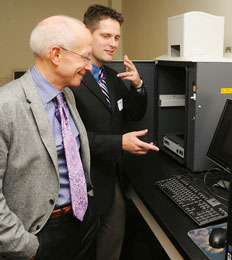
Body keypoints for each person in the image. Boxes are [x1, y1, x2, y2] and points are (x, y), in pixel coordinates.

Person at [0, 15, 97, 260]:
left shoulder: (68, 96)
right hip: (39, 233)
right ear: (56, 55)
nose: (89, 66)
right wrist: (25, 248)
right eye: (85, 57)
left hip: (81, 221)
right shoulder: (6, 106)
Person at [70, 4, 159, 260]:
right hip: (83, 184)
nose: (113, 44)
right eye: (105, 36)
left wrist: (139, 85)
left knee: (112, 243)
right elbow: (73, 139)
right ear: (88, 34)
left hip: (112, 179)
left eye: (117, 37)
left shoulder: (111, 76)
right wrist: (119, 143)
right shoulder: (72, 78)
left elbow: (132, 114)